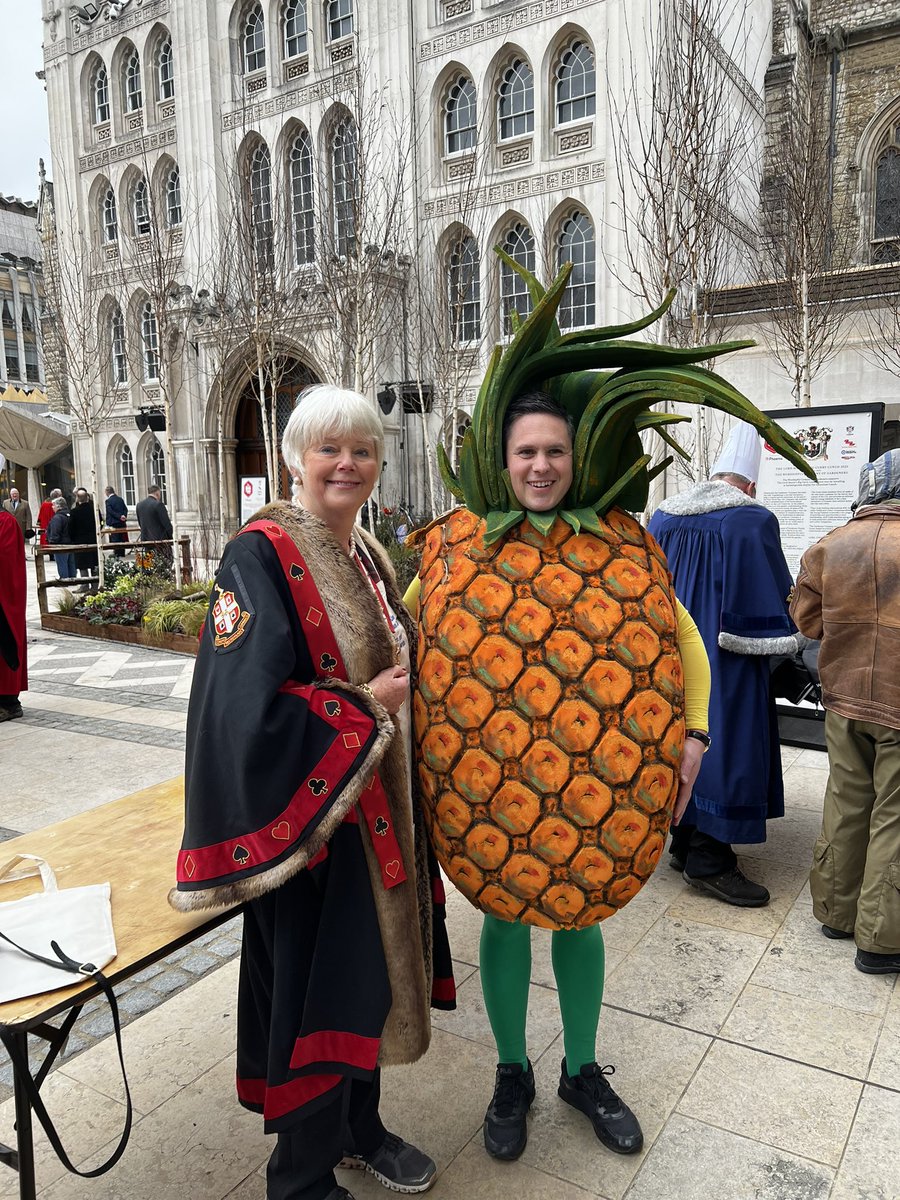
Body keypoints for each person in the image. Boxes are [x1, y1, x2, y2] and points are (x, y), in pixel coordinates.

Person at [411, 391, 711, 1163]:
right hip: (487, 781)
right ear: (501, 462)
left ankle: (581, 1069)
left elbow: (683, 637)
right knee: (504, 915)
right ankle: (513, 1071)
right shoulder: (455, 543)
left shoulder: (620, 540)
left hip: (598, 783)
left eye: (554, 452)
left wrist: (695, 734)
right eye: (525, 453)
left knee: (584, 911)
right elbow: (392, 627)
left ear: (574, 462)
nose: (540, 466)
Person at [170, 385, 452, 1200]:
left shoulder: (369, 553)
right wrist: (367, 708)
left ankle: (359, 1130)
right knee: (316, 994)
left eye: (362, 449)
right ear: (295, 459)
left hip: (380, 815)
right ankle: (299, 1177)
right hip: (312, 827)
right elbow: (238, 707)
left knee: (370, 982)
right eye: (329, 448)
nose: (347, 463)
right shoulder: (255, 557)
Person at [649, 422, 802, 907]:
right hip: (726, 658)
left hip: (673, 655)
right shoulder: (752, 521)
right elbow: (776, 596)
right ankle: (710, 858)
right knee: (729, 744)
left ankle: (683, 840)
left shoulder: (663, 517)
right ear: (751, 484)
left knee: (679, 737)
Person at [791, 449, 900, 975]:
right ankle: (880, 942)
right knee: (895, 816)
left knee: (846, 800)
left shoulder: (832, 544)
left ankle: (835, 912)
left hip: (844, 695)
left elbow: (806, 621)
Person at [0, 509, 27, 721]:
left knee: (5, 644)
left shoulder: (5, 521)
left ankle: (9, 704)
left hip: (3, 598)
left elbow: (6, 561)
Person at [68, 487, 99, 587]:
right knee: (94, 564)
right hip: (93, 539)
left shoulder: (74, 512)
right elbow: (100, 523)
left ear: (77, 498)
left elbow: (70, 528)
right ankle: (95, 585)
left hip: (79, 541)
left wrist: (73, 538)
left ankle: (84, 585)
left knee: (82, 566)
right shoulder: (94, 510)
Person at [136, 484, 173, 563]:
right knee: (164, 565)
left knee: (150, 565)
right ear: (157, 493)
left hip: (146, 540)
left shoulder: (139, 505)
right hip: (160, 541)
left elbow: (140, 523)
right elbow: (167, 524)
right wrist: (170, 537)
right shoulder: (158, 505)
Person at [47, 496, 75, 581]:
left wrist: (52, 543)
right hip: (71, 543)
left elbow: (55, 531)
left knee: (62, 563)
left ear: (58, 506)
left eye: (53, 505)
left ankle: (64, 579)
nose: (52, 507)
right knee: (71, 563)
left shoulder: (58, 518)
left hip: (60, 544)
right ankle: (73, 579)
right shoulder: (70, 515)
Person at [104, 485, 129, 557]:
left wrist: (119, 516)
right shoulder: (120, 499)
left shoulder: (108, 501)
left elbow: (110, 511)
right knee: (122, 538)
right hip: (121, 522)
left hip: (113, 523)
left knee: (115, 539)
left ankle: (117, 554)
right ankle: (122, 553)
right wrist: (123, 516)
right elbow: (125, 509)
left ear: (107, 492)